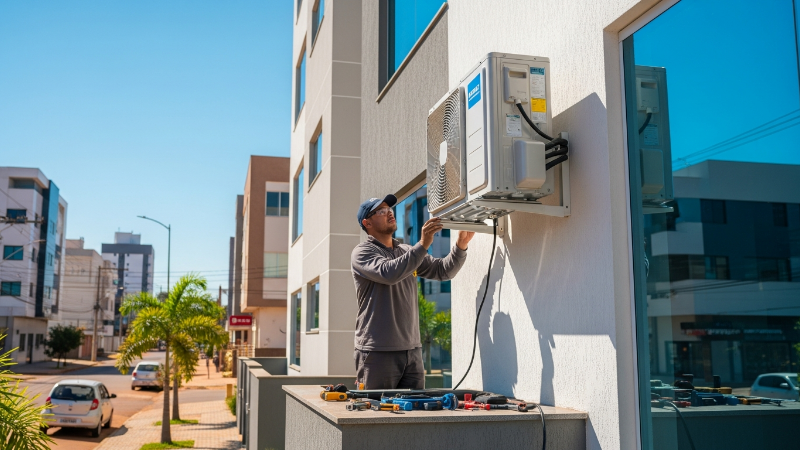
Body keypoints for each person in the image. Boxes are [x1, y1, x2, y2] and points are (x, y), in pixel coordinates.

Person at [351, 194, 474, 389]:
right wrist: (423, 244)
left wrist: (461, 245)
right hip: (377, 352)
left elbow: (443, 271)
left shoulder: (407, 251)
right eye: (381, 211)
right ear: (367, 223)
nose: (389, 213)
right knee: (378, 415)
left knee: (414, 414)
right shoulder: (362, 252)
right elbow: (389, 273)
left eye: (389, 209)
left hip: (412, 351)